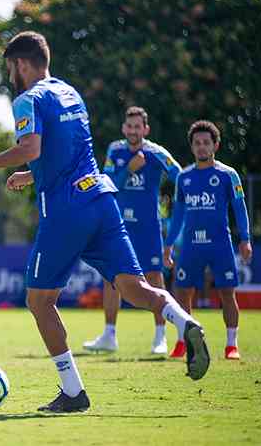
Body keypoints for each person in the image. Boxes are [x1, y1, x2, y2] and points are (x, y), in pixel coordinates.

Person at [0, 31, 209, 413]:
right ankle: (183, 320)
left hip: (66, 210)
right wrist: (31, 175)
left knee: (39, 301)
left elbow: (32, 148)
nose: (10, 76)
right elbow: (64, 152)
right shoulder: (69, 92)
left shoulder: (27, 99)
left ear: (22, 64)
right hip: (102, 199)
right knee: (135, 288)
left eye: (10, 68)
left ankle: (73, 391)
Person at [82, 106, 182, 355]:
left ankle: (160, 336)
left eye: (139, 126)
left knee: (154, 278)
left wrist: (176, 205)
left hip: (148, 226)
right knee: (110, 278)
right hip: (118, 225)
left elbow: (181, 176)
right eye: (130, 126)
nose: (134, 130)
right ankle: (109, 335)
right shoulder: (115, 150)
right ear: (124, 128)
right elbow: (106, 182)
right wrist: (129, 169)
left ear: (145, 129)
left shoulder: (156, 152)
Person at [164, 120, 251, 360]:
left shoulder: (228, 175)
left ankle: (231, 344)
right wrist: (169, 244)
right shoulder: (184, 177)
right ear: (192, 147)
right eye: (197, 143)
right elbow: (178, 214)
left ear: (216, 145)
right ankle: (183, 341)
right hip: (191, 245)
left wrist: (245, 239)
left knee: (226, 292)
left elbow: (239, 208)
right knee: (182, 292)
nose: (201, 147)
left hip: (220, 244)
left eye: (206, 143)